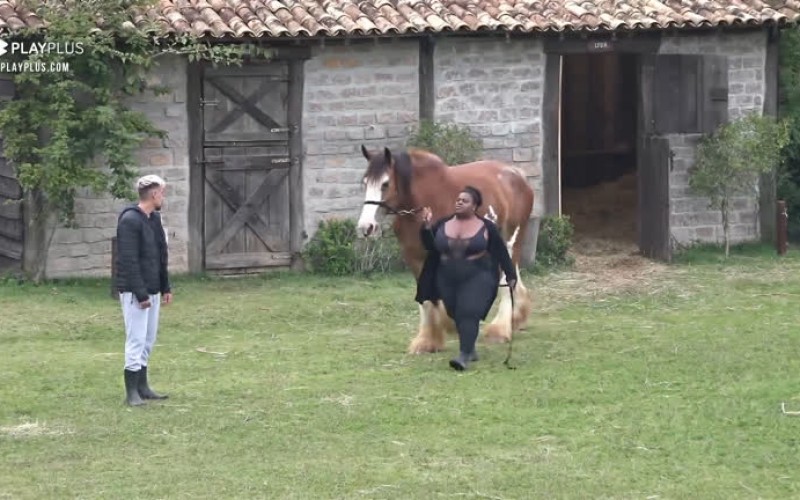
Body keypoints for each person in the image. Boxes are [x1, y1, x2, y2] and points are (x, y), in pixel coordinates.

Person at [415, 185, 517, 371]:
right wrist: (426, 227)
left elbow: (501, 251)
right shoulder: (443, 223)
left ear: (475, 206)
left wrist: (510, 274)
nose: (459, 202)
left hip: (478, 274)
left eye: (465, 200)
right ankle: (471, 348)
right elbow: (430, 247)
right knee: (455, 311)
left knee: (468, 311)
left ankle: (464, 356)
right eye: (458, 200)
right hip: (446, 276)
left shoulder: (487, 227)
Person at [115, 174, 173, 406]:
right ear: (154, 194)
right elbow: (128, 260)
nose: (164, 197)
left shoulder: (154, 219)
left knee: (148, 339)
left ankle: (143, 386)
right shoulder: (130, 220)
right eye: (162, 192)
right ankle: (131, 393)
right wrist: (140, 294)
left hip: (154, 289)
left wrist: (165, 286)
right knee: (136, 339)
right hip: (134, 291)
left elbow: (161, 256)